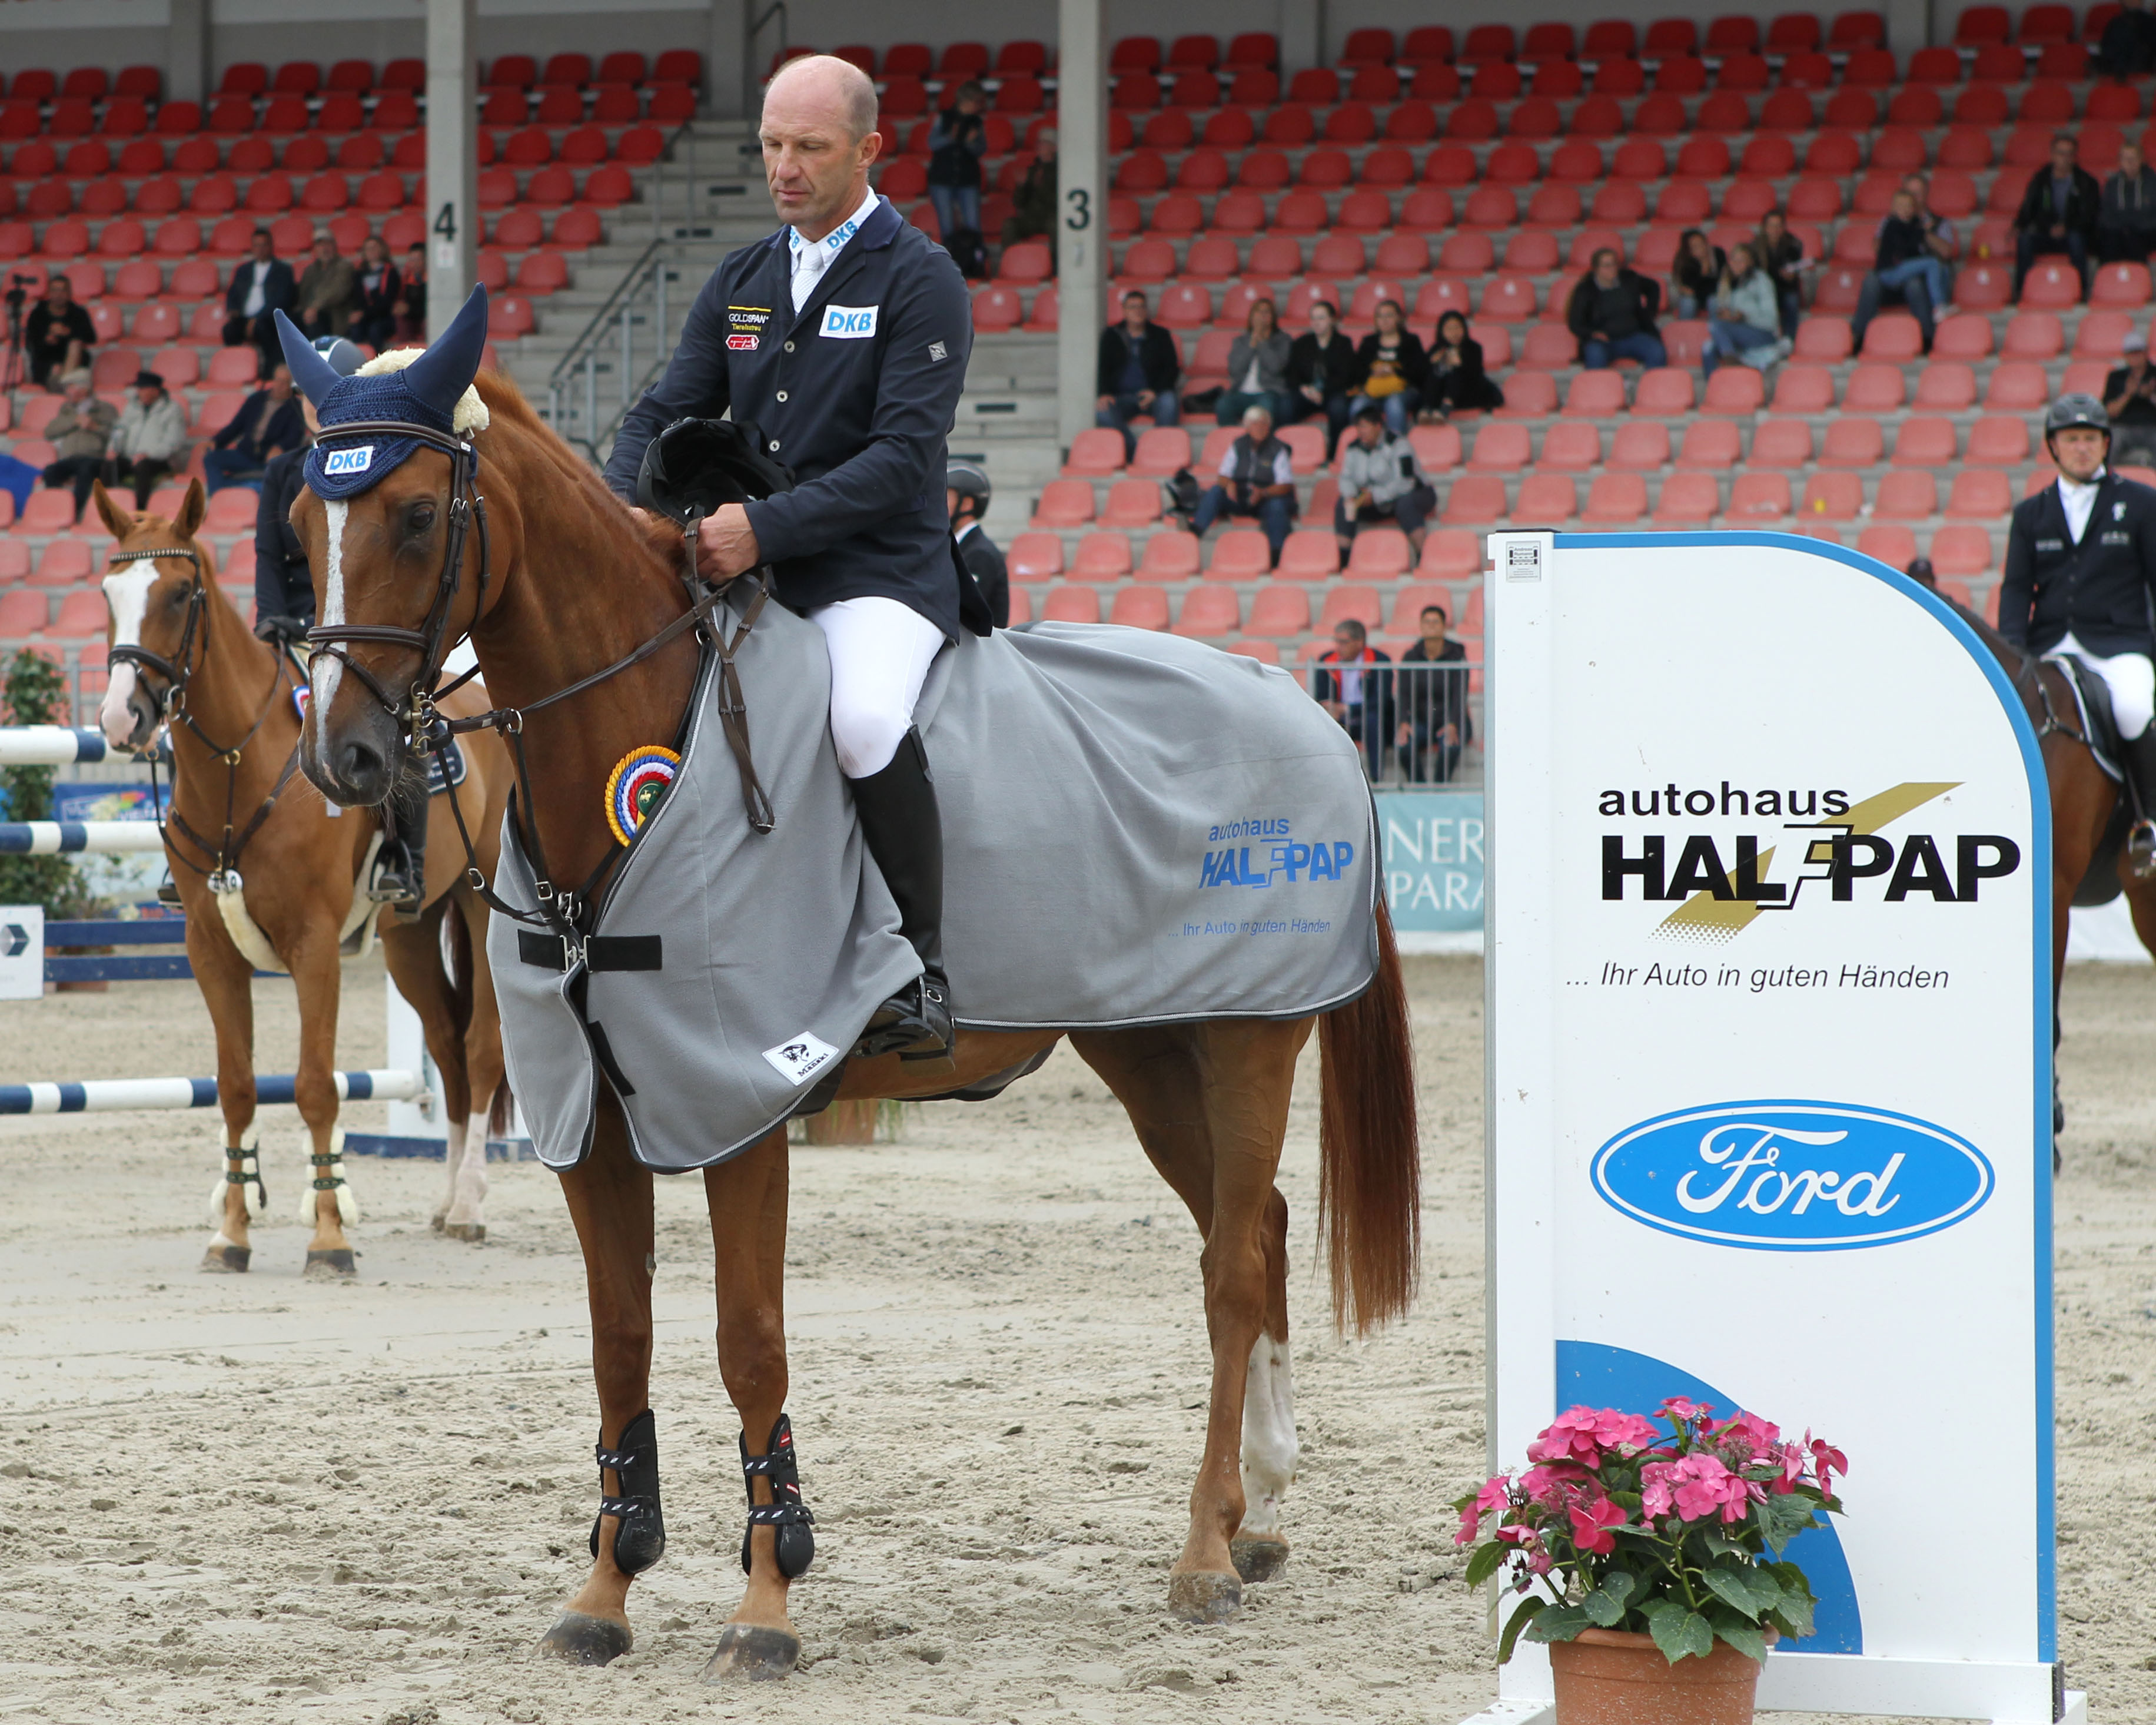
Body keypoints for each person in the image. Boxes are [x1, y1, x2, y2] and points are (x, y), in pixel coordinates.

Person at [601, 54, 981, 1063]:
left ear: (867, 149)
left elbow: (902, 461)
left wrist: (758, 531)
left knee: (859, 721)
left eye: (808, 147)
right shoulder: (744, 278)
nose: (784, 166)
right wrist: (613, 508)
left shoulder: (919, 277)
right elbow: (659, 409)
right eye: (772, 144)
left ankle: (923, 971)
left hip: (875, 573)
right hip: (751, 569)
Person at [2000, 394, 2156, 873]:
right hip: (2050, 647)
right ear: (2053, 447)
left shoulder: (2139, 503)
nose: (2082, 448)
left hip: (2117, 644)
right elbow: (2014, 588)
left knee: (2133, 708)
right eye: (2071, 440)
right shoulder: (2030, 513)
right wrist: (2010, 655)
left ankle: (2147, 822)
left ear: (2105, 444)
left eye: (2090, 439)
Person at [1191, 402, 1295, 565]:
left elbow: (1285, 484)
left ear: (1269, 427)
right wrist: (1229, 484)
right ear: (1247, 426)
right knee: (1216, 491)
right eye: (1255, 424)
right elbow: (1223, 475)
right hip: (1240, 496)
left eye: (1264, 424)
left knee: (1277, 506)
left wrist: (1263, 493)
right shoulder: (1238, 445)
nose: (1260, 427)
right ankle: (1195, 531)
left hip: (1266, 499)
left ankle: (1276, 553)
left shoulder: (1278, 449)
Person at [1333, 402, 1436, 560]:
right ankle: (1343, 556)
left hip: (1412, 493)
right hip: (1372, 499)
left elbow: (1405, 483)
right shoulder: (1353, 448)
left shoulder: (1399, 444)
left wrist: (1375, 496)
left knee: (1406, 504)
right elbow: (1346, 478)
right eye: (1358, 427)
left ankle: (1422, 555)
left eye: (1365, 427)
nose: (1361, 432)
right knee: (1344, 504)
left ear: (1378, 426)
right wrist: (1352, 496)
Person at [1851, 185, 1948, 353]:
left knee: (1916, 283)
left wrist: (1923, 232)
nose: (1906, 209)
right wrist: (1921, 232)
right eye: (1901, 205)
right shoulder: (1892, 224)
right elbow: (1892, 248)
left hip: (1912, 278)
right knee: (1871, 281)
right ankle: (1858, 336)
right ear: (1893, 208)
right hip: (1891, 272)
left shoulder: (1931, 222)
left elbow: (1944, 252)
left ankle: (1927, 337)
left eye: (1910, 204)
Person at [1094, 288, 1181, 458]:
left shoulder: (1161, 335)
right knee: (1102, 412)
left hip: (1153, 396)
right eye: (1132, 307)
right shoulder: (1111, 336)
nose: (1138, 311)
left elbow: (1172, 369)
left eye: (1141, 306)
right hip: (1122, 397)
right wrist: (1104, 393)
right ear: (1124, 311)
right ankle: (1134, 451)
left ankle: (1159, 453)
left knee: (1170, 402)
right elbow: (1103, 368)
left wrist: (1154, 392)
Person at [2014, 133, 2100, 298]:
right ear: (2052, 155)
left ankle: (2080, 291)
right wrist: (2019, 225)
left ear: (2075, 157)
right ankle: (2022, 290)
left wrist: (2066, 227)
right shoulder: (2040, 180)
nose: (2065, 158)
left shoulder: (2086, 182)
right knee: (2025, 240)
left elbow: (2089, 215)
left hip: (2074, 234)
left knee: (2077, 240)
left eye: (2069, 154)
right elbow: (2029, 209)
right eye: (2061, 153)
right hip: (2046, 233)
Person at [1395, 603, 1472, 784]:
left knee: (1450, 747)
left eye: (1435, 622)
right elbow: (1403, 693)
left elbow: (1460, 694)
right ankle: (1420, 789)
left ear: (1444, 626)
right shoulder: (1411, 656)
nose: (1431, 626)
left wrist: (1453, 723)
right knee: (1405, 746)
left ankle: (1439, 789)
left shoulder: (1457, 656)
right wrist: (1403, 723)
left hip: (1453, 719)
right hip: (1422, 720)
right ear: (1421, 626)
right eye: (1426, 622)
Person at [202, 363, 304, 494]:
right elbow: (236, 426)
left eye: (285, 382)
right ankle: (221, 493)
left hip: (270, 460)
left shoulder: (296, 407)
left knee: (275, 478)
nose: (280, 385)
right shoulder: (256, 399)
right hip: (245, 453)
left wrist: (280, 447)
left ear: (291, 385)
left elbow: (294, 436)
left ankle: (230, 487)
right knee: (211, 459)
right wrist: (217, 441)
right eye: (278, 380)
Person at [1311, 618, 1393, 781]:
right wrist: (1331, 708)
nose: (1338, 647)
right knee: (1327, 724)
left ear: (1359, 642)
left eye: (1344, 642)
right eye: (1337, 641)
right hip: (1341, 718)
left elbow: (1381, 700)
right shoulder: (1327, 661)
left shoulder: (1380, 661)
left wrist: (1347, 708)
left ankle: (1377, 780)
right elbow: (1321, 696)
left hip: (1369, 717)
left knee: (1373, 720)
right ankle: (1333, 780)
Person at [36, 370, 117, 523]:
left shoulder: (106, 409)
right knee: (50, 471)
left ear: (83, 389)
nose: (67, 391)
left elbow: (115, 433)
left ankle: (75, 511)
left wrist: (95, 427)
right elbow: (49, 432)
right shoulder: (67, 410)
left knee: (86, 472)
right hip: (70, 457)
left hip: (94, 456)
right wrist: (74, 421)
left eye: (70, 387)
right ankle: (59, 508)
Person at [1566, 248, 1666, 370]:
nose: (1612, 268)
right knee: (1595, 354)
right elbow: (1575, 323)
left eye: (1614, 264)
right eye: (1607, 265)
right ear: (1596, 269)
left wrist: (1650, 312)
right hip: (1604, 341)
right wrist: (1592, 333)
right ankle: (1600, 389)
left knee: (1656, 351)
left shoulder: (1629, 279)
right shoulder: (1585, 290)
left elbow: (1653, 286)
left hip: (1633, 335)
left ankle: (1654, 387)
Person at [105, 370, 187, 509]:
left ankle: (140, 511)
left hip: (160, 459)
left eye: (143, 389)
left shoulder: (172, 409)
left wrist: (149, 454)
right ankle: (108, 508)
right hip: (131, 457)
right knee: (110, 465)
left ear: (155, 390)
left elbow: (174, 441)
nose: (139, 392)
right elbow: (120, 430)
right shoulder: (131, 407)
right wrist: (113, 449)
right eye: (139, 389)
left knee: (144, 467)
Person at [1703, 243, 1788, 376]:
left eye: (1742, 260)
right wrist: (1728, 316)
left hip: (1763, 334)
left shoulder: (1761, 281)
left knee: (1716, 327)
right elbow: (1724, 316)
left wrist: (1745, 316)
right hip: (1735, 334)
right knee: (1707, 349)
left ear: (1750, 263)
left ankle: (1732, 363)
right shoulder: (1726, 282)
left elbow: (1771, 320)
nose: (1737, 264)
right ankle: (1714, 389)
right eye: (1734, 260)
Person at [1348, 298, 1428, 436]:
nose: (1384, 320)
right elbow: (1357, 371)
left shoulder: (1411, 341)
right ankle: (1362, 446)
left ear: (1399, 318)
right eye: (1380, 316)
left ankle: (1396, 448)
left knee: (1394, 405)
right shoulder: (1369, 342)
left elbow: (1420, 372)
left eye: (1389, 316)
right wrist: (1373, 372)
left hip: (1404, 391)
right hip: (1374, 390)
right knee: (1358, 406)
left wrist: (1394, 371)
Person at [222, 229, 296, 377]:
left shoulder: (283, 270)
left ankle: (268, 374)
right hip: (244, 318)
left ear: (271, 246)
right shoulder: (243, 270)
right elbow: (233, 293)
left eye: (264, 245)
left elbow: (282, 299)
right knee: (228, 331)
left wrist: (257, 319)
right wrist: (233, 309)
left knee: (265, 331)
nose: (260, 249)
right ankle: (235, 370)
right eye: (257, 245)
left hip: (268, 318)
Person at [925, 80, 988, 247]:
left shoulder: (977, 122)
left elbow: (981, 149)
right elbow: (932, 143)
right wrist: (951, 138)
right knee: (947, 227)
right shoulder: (944, 118)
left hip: (968, 178)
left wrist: (969, 142)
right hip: (942, 177)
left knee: (973, 225)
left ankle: (974, 264)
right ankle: (951, 265)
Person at [1287, 298, 1357, 447]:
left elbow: (1346, 376)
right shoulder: (1302, 343)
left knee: (1339, 408)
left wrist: (1322, 390)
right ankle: (1290, 448)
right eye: (1313, 318)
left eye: (1321, 318)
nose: (1316, 322)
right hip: (1307, 392)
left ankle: (1336, 452)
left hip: (1333, 392)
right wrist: (1304, 389)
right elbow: (1291, 372)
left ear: (1332, 320)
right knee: (1286, 405)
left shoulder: (1344, 343)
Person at [946, 460, 1007, 629]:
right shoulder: (961, 547)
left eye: (945, 496)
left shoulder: (981, 554)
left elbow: (960, 612)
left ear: (967, 504)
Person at [1215, 296, 1293, 426]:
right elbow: (1234, 370)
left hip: (1267, 392)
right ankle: (1236, 442)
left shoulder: (1283, 340)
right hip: (1241, 392)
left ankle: (1265, 445)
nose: (1262, 316)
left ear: (1273, 317)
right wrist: (1251, 345)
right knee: (1223, 405)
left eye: (1266, 312)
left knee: (1266, 410)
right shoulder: (1240, 341)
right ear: (1251, 317)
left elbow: (1276, 367)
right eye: (1258, 312)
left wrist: (1262, 342)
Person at [1424, 310, 1503, 415]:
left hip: (1468, 394)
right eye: (1449, 329)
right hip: (1441, 395)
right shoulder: (1436, 349)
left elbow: (1476, 375)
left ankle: (1446, 407)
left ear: (1464, 329)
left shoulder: (1474, 348)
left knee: (1456, 374)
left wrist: (1460, 365)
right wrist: (1434, 364)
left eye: (1457, 327)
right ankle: (1427, 409)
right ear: (1441, 331)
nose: (1454, 333)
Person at [24, 276, 94, 390]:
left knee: (76, 344)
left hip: (73, 362)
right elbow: (31, 344)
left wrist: (68, 332)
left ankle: (64, 383)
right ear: (49, 293)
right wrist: (47, 340)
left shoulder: (78, 313)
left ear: (69, 293)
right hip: (45, 362)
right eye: (55, 290)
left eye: (63, 290)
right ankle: (66, 384)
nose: (59, 294)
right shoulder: (38, 314)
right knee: (56, 369)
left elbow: (91, 337)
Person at [1002, 127, 1057, 261]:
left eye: (1044, 143)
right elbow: (1018, 203)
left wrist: (1040, 186)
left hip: (1050, 217)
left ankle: (1057, 265)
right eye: (1039, 143)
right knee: (1010, 225)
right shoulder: (1032, 170)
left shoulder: (1060, 172)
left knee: (1056, 226)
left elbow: (1056, 202)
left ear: (1054, 147)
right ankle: (1009, 262)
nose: (1040, 146)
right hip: (1031, 218)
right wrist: (1021, 186)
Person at [2105, 330, 2156, 469]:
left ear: (2146, 353)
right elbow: (2109, 412)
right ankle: (2105, 483)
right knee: (2110, 442)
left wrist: (2151, 396)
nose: (2135, 357)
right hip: (2123, 428)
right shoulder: (2116, 377)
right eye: (2131, 353)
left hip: (2152, 427)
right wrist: (2127, 395)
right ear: (2125, 356)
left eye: (2138, 352)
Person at [1753, 207, 1808, 336]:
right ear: (1765, 228)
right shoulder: (1755, 247)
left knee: (1792, 300)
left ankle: (1790, 338)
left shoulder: (1793, 245)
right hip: (1764, 290)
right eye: (1771, 226)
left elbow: (1794, 272)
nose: (1775, 230)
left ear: (1783, 228)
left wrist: (1791, 276)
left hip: (1784, 289)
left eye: (1778, 226)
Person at [295, 232, 359, 341]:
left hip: (334, 315)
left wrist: (315, 307)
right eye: (320, 246)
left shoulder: (344, 266)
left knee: (314, 320)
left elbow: (337, 292)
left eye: (328, 244)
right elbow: (303, 294)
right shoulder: (310, 270)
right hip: (309, 312)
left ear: (335, 247)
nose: (324, 249)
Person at [2100, 141, 2156, 265]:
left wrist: (2135, 226)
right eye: (2126, 158)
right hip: (2119, 232)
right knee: (2109, 241)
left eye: (2134, 158)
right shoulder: (2112, 184)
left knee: (2133, 239)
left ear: (2141, 159)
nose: (2130, 163)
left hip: (2146, 232)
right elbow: (2106, 214)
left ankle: (2139, 280)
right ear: (2119, 161)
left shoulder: (2153, 183)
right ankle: (2108, 279)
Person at [347, 235, 402, 350]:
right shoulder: (359, 274)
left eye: (374, 248)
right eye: (368, 249)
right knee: (355, 329)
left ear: (382, 250)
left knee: (375, 329)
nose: (371, 252)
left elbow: (387, 301)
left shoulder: (391, 272)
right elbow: (357, 298)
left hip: (385, 317)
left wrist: (364, 313)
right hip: (366, 317)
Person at [1670, 228, 1726, 320]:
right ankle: (1684, 330)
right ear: (1689, 249)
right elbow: (1689, 288)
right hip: (1694, 297)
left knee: (1714, 301)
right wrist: (1703, 269)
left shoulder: (1718, 254)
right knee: (1688, 303)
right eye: (1695, 246)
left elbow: (1721, 282)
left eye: (1702, 244)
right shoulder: (1685, 261)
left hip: (1714, 294)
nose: (1702, 248)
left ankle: (1717, 330)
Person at [2097, 0, 2156, 77]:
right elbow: (2107, 49)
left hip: (2144, 70)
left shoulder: (2151, 22)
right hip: (2116, 72)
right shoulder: (2115, 23)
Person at [391, 241, 427, 343]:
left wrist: (410, 309)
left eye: (417, 260)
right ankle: (405, 349)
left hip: (424, 315)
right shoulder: (407, 278)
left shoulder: (432, 280)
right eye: (411, 260)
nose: (414, 264)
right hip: (412, 315)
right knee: (400, 318)